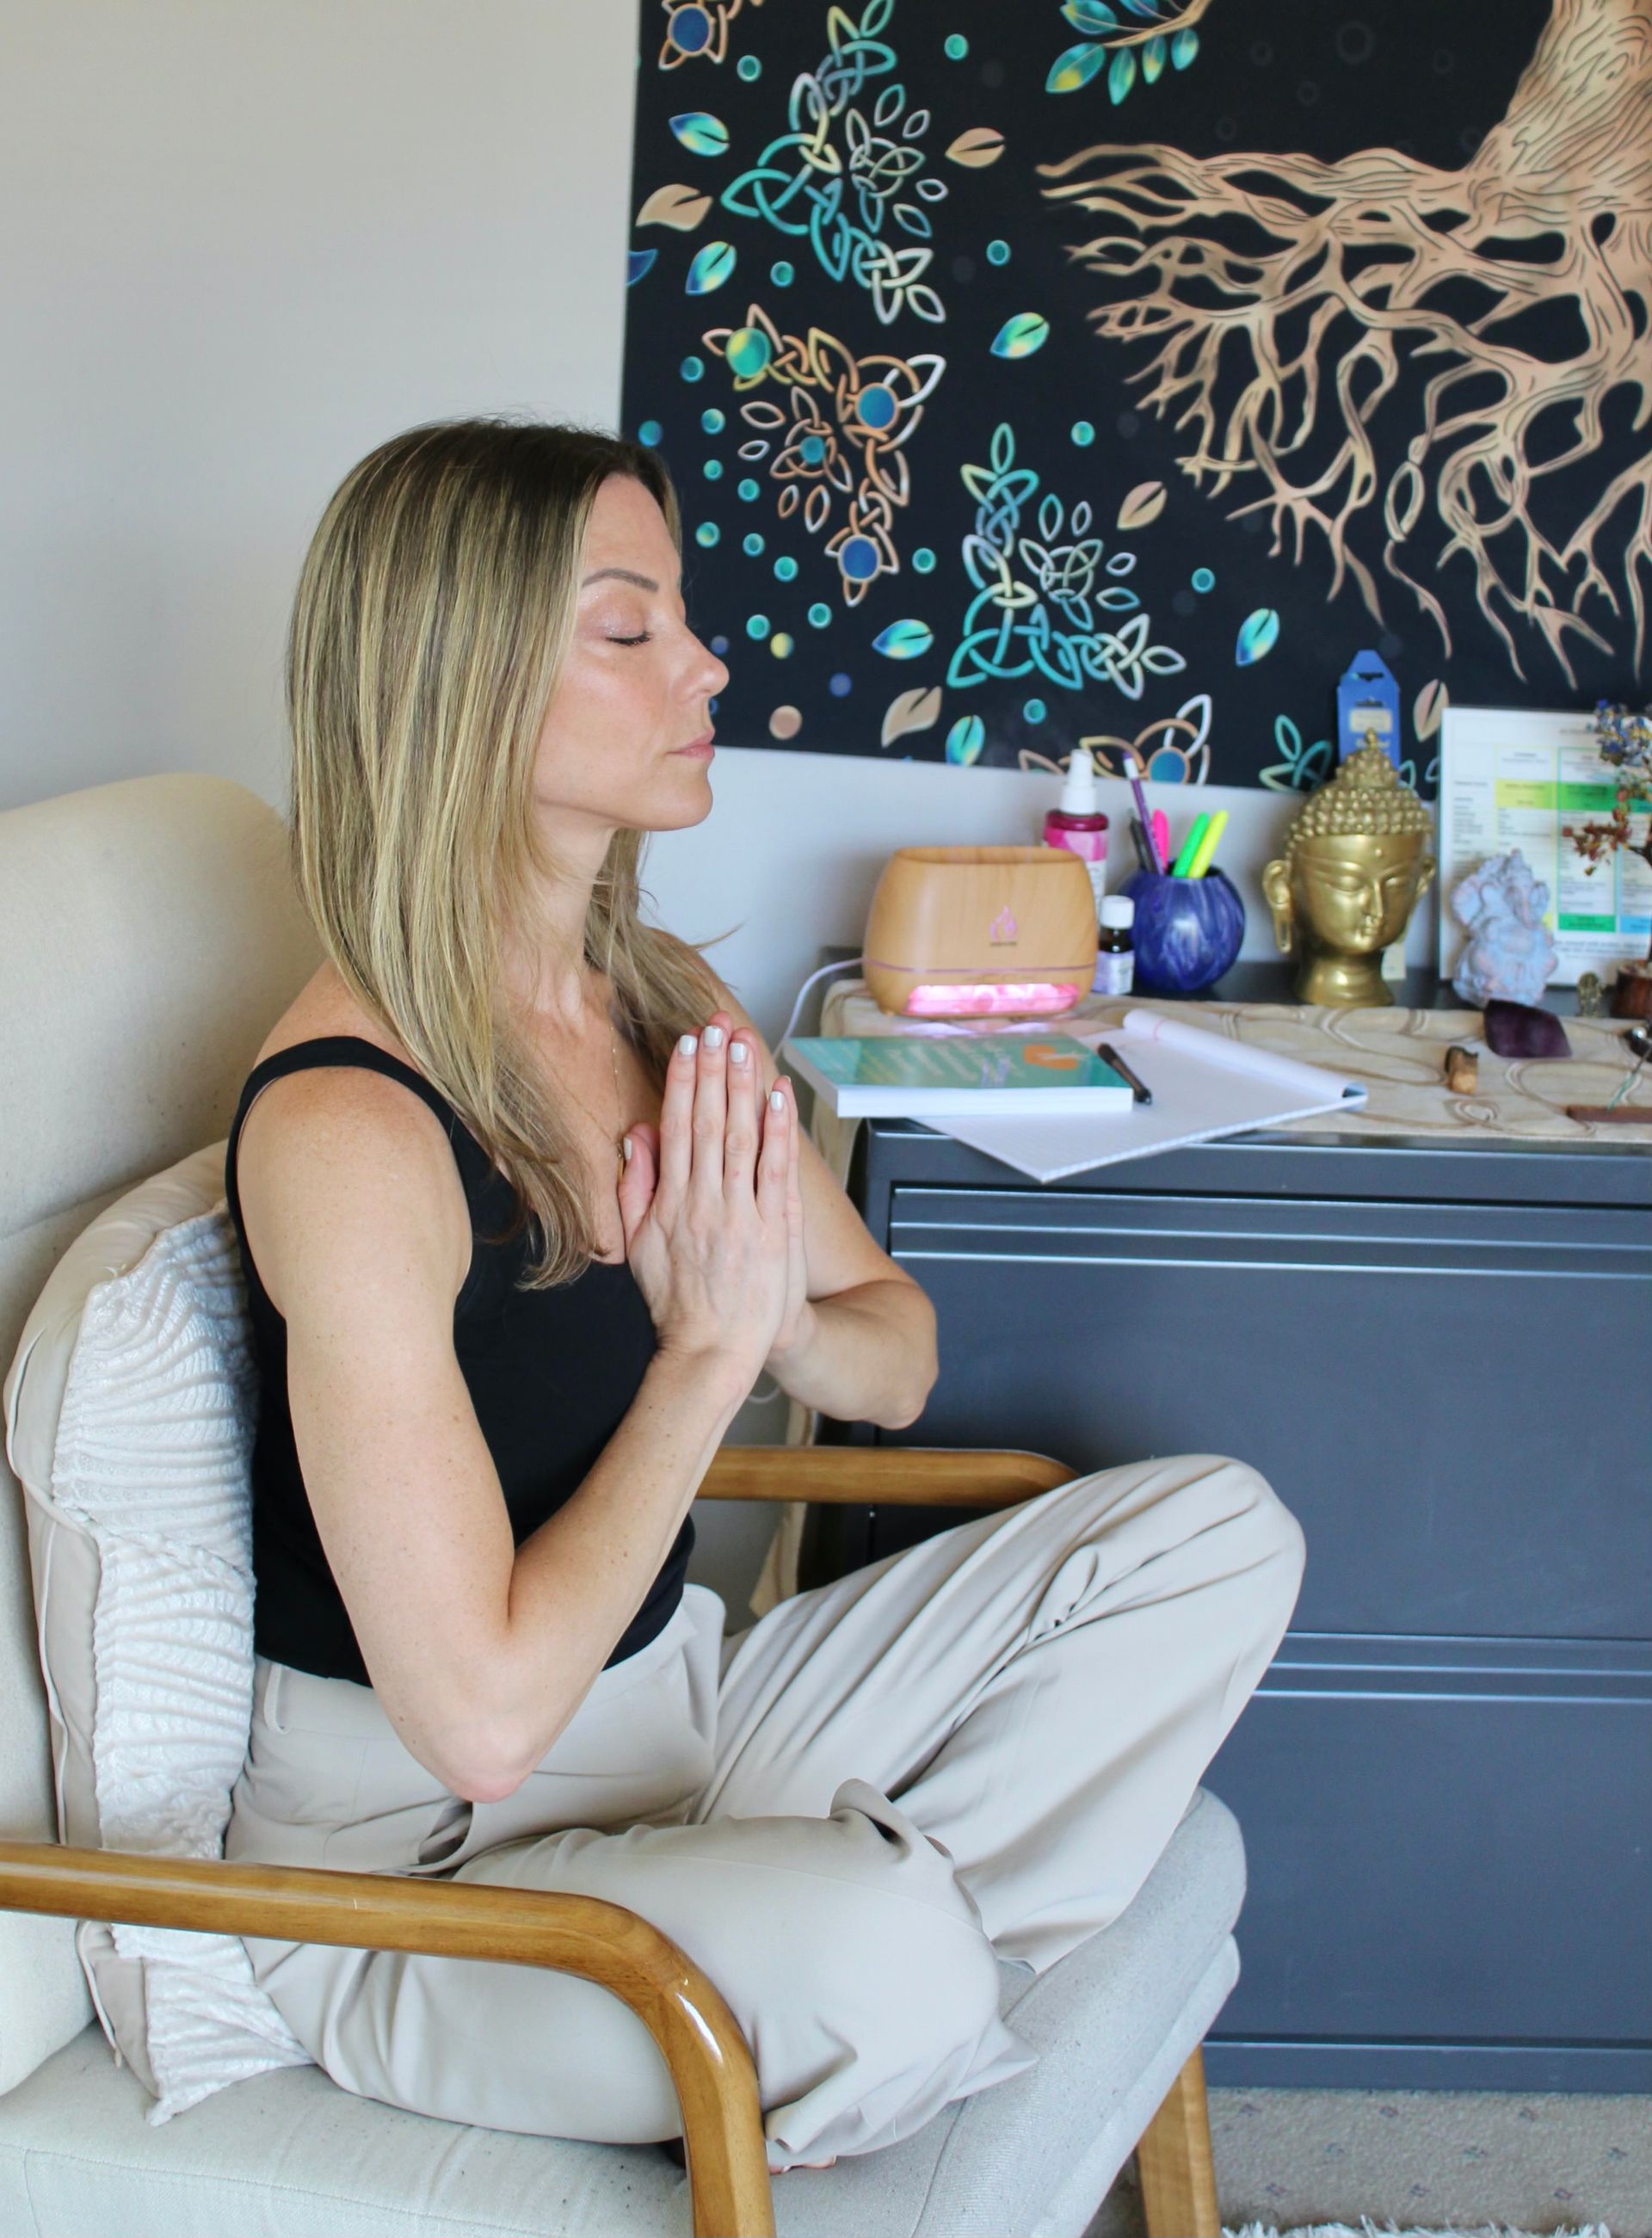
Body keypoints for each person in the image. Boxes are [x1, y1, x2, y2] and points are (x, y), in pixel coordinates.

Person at [222, 417, 1306, 2178]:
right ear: (459, 685)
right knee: (889, 1950)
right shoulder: (352, 1129)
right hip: (426, 1874)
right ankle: (882, 1968)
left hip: (682, 1714)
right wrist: (707, 1354)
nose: (706, 663)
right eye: (630, 626)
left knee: (1218, 1537)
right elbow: (480, 1720)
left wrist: (777, 1321)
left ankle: (858, 1966)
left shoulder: (660, 998)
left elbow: (896, 1353)